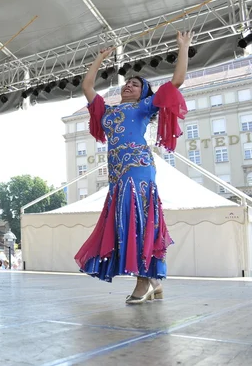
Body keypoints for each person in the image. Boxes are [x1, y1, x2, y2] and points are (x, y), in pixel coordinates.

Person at [74, 31, 192, 304]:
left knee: (138, 221)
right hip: (117, 175)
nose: (129, 86)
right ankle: (153, 280)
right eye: (127, 83)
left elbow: (177, 81)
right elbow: (87, 87)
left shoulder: (144, 107)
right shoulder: (107, 112)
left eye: (136, 84)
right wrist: (99, 59)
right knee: (123, 223)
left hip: (138, 169)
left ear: (144, 93)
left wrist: (183, 47)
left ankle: (143, 280)